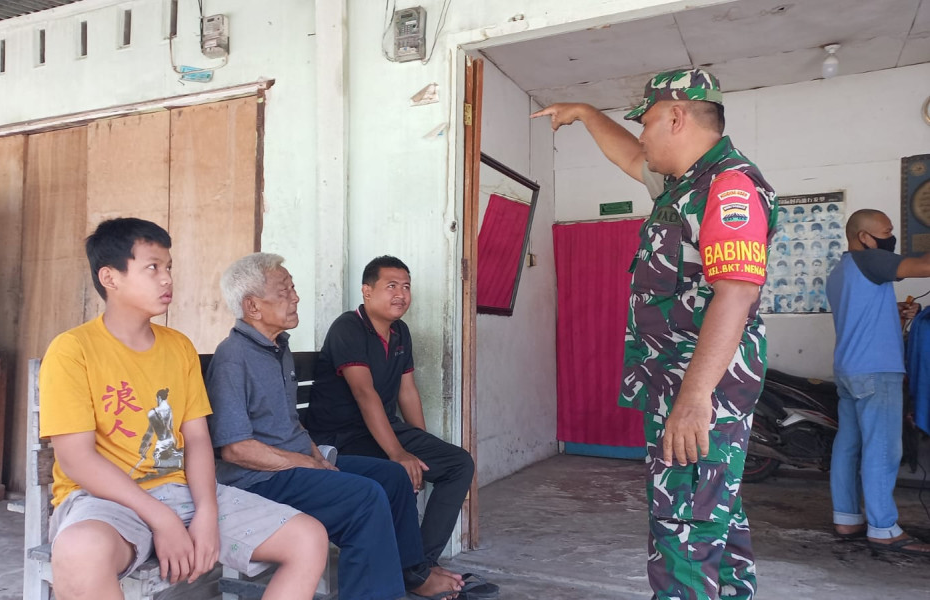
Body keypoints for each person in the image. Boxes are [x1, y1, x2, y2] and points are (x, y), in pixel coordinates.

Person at [532, 68, 776, 598]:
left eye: (645, 122)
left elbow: (735, 294)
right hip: (683, 386)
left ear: (676, 116)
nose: (641, 134)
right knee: (717, 522)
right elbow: (631, 157)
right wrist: (586, 115)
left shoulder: (727, 186)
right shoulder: (682, 185)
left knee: (684, 532)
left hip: (700, 391)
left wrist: (694, 397)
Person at [38, 218, 328, 600]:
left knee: (308, 538)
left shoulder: (178, 347)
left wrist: (206, 513)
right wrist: (163, 521)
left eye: (169, 267)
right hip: (105, 501)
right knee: (79, 550)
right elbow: (76, 459)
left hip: (184, 494)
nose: (166, 279)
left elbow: (197, 440)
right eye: (152, 267)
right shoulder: (73, 350)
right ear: (110, 277)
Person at [205, 253, 478, 600]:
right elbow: (235, 449)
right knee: (364, 496)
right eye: (285, 290)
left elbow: (291, 424)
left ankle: (412, 574)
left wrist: (316, 456)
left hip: (293, 465)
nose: (296, 297)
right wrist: (306, 462)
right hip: (259, 478)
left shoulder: (277, 349)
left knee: (391, 478)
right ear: (253, 306)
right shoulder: (233, 357)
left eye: (293, 288)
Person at [304, 256, 478, 577]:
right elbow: (364, 394)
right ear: (367, 291)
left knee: (459, 464)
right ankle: (413, 571)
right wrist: (399, 454)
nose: (401, 294)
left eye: (406, 287)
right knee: (398, 472)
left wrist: (419, 446)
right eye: (391, 286)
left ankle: (420, 564)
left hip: (382, 430)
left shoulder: (400, 332)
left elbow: (407, 390)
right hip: (342, 438)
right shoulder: (348, 328)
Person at [825, 209, 930, 556]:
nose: (890, 236)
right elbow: (924, 266)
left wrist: (895, 310)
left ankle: (847, 517)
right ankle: (884, 528)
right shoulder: (871, 260)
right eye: (885, 231)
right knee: (883, 448)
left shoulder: (840, 271)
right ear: (865, 238)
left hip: (848, 370)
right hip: (876, 370)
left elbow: (861, 311)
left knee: (849, 445)